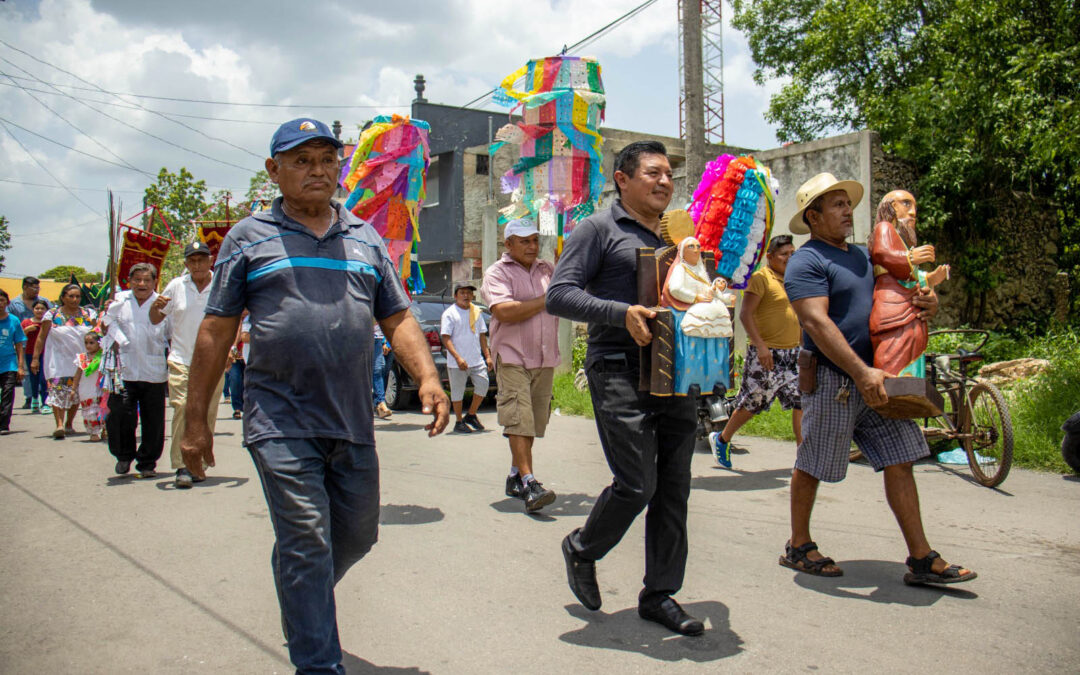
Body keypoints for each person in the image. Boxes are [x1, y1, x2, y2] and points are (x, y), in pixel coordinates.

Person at [179, 118, 449, 675]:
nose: (317, 171)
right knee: (306, 537)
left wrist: (427, 376)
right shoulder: (247, 237)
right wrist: (195, 422)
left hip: (350, 419)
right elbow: (216, 329)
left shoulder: (365, 236)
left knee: (355, 535)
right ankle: (318, 661)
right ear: (273, 170)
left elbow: (395, 314)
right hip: (279, 415)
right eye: (301, 161)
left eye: (327, 159)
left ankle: (303, 599)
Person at [779, 172, 976, 586]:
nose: (847, 211)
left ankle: (921, 557)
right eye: (836, 205)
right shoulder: (805, 261)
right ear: (813, 216)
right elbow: (816, 322)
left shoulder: (862, 257)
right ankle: (798, 545)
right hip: (836, 381)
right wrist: (860, 371)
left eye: (847, 204)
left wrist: (927, 301)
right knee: (814, 463)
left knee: (901, 459)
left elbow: (900, 289)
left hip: (880, 378)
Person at [546, 140, 705, 636]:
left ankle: (659, 595)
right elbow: (559, 295)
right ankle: (582, 548)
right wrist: (621, 313)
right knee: (637, 483)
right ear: (623, 178)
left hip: (678, 370)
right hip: (618, 367)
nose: (664, 183)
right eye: (653, 174)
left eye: (669, 176)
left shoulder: (679, 235)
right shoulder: (597, 229)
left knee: (674, 489)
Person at [481, 218, 559, 513]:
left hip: (545, 357)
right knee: (518, 418)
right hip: (513, 356)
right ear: (508, 244)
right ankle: (530, 483)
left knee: (533, 423)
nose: (532, 246)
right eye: (524, 241)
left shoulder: (547, 269)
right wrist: (545, 299)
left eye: (535, 240)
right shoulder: (496, 273)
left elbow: (565, 292)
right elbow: (505, 311)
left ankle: (514, 475)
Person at [709, 234, 803, 469]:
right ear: (770, 257)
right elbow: (745, 314)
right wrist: (760, 346)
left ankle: (805, 456)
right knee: (754, 402)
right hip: (766, 353)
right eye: (784, 254)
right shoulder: (761, 278)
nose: (789, 258)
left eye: (793, 253)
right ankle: (722, 439)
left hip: (793, 353)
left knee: (802, 401)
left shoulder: (794, 278)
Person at [149, 240, 223, 488]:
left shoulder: (222, 284)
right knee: (182, 408)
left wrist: (231, 348)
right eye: (192, 260)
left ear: (210, 260)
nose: (197, 264)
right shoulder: (176, 286)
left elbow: (236, 316)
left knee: (206, 413)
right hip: (181, 359)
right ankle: (182, 465)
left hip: (213, 361)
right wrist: (155, 307)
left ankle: (198, 463)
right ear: (186, 263)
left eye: (202, 259)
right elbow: (156, 318)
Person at [870, 190, 950, 376]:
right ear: (891, 206)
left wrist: (929, 279)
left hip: (909, 307)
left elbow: (908, 275)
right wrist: (909, 257)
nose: (913, 212)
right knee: (895, 348)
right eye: (906, 204)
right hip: (894, 306)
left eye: (914, 207)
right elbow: (882, 254)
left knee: (912, 343)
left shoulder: (901, 240)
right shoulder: (884, 228)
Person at [102, 263, 169, 478]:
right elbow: (104, 326)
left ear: (154, 282)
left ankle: (147, 462)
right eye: (137, 280)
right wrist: (106, 314)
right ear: (129, 281)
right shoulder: (119, 301)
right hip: (124, 371)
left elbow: (170, 334)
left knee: (153, 420)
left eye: (146, 280)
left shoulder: (163, 303)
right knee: (120, 415)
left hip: (154, 371)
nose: (142, 284)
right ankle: (123, 456)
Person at [660, 235, 732, 396]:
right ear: (683, 251)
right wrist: (695, 298)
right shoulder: (681, 268)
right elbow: (675, 289)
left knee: (718, 335)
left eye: (698, 246)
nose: (696, 250)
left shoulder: (700, 269)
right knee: (692, 334)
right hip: (685, 309)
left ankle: (715, 380)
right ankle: (691, 381)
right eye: (691, 247)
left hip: (707, 311)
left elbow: (711, 291)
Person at [31, 283, 96, 439]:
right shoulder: (52, 315)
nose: (75, 299)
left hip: (81, 360)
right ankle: (59, 424)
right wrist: (35, 358)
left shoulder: (88, 314)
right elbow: (41, 337)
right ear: (63, 297)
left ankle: (69, 423)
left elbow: (96, 335)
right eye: (71, 296)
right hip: (57, 359)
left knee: (75, 394)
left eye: (78, 296)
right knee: (57, 390)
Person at [440, 283, 493, 434]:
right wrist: (458, 358)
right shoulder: (450, 314)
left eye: (469, 293)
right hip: (458, 362)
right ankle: (458, 422)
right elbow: (446, 338)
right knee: (457, 392)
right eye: (462, 293)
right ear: (456, 296)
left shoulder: (476, 312)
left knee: (483, 384)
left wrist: (487, 356)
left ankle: (471, 415)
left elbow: (482, 336)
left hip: (476, 360)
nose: (466, 296)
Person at [10, 276, 51, 410]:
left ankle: (44, 398)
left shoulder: (44, 301)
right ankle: (30, 397)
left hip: (44, 345)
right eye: (33, 288)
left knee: (43, 373)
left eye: (38, 288)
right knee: (27, 372)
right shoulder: (14, 304)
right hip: (23, 344)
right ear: (25, 287)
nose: (36, 291)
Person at [0, 290, 27, 435]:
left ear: (7, 302)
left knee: (7, 393)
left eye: (1, 300)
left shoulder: (14, 321)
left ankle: (4, 424)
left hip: (8, 363)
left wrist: (20, 367)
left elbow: (18, 344)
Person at [72, 330, 107, 441]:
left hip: (101, 388)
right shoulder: (82, 358)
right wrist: (73, 389)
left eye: (92, 343)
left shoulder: (104, 356)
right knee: (90, 412)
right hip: (86, 389)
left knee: (103, 410)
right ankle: (94, 432)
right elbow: (77, 374)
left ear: (99, 343)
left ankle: (105, 430)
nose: (88, 345)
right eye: (86, 343)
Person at [20, 299, 50, 413]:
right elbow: (19, 336)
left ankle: (45, 402)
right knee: (34, 378)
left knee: (44, 378)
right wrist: (27, 330)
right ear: (32, 310)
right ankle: (34, 399)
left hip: (46, 353)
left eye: (42, 308)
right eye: (37, 308)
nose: (40, 311)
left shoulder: (48, 322)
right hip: (30, 353)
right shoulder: (26, 322)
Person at [372, 323, 392, 419]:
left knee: (381, 369)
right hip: (365, 338)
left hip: (379, 338)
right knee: (377, 369)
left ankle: (378, 402)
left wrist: (387, 342)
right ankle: (380, 402)